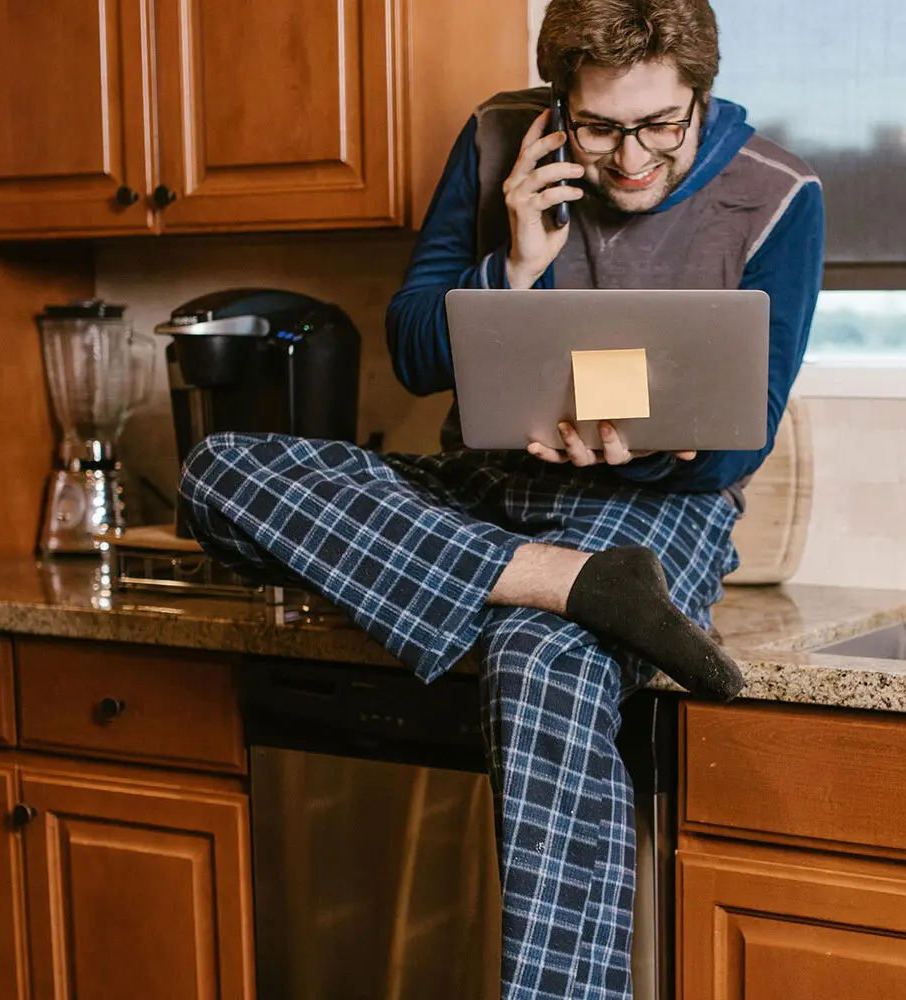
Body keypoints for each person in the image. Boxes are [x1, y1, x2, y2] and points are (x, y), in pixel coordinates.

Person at [179, 0, 824, 995]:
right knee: (219, 472)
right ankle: (571, 582)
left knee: (537, 654)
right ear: (557, 99)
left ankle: (571, 591)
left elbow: (740, 434)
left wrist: (647, 453)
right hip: (485, 485)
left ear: (699, 91)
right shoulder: (492, 141)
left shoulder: (778, 196)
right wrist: (515, 259)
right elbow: (415, 352)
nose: (631, 159)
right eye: (600, 127)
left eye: (660, 125)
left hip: (652, 508)